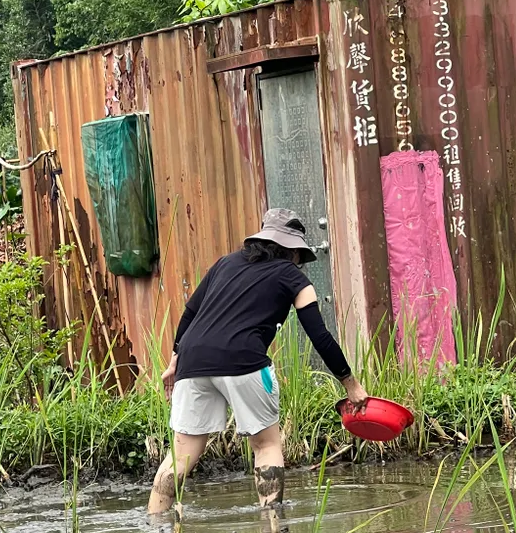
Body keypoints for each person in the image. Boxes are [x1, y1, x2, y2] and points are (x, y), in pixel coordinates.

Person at [148, 208, 369, 514]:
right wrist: (351, 384)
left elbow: (189, 314)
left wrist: (175, 359)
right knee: (266, 446)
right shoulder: (294, 278)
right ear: (294, 251)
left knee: (180, 454)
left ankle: (157, 530)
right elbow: (319, 335)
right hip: (245, 362)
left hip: (192, 361)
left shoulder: (224, 264)